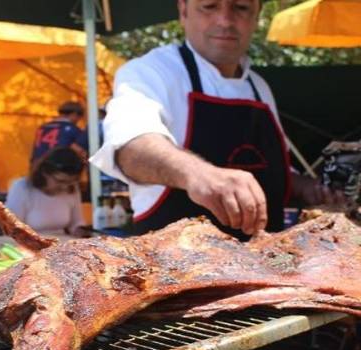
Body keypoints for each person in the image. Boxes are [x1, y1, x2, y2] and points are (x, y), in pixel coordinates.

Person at [91, 0, 341, 239]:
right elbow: (131, 147)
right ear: (183, 11)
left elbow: (275, 172)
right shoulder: (150, 71)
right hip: (177, 270)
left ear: (257, 16)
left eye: (241, 8)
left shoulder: (259, 87)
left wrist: (309, 189)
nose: (225, 20)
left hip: (266, 268)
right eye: (209, 6)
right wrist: (198, 175)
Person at [5, 147, 88, 237]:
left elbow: (76, 222)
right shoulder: (22, 187)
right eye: (60, 181)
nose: (65, 186)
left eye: (70, 182)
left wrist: (79, 230)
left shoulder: (71, 188)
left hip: (61, 244)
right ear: (45, 173)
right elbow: (12, 227)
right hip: (28, 244)